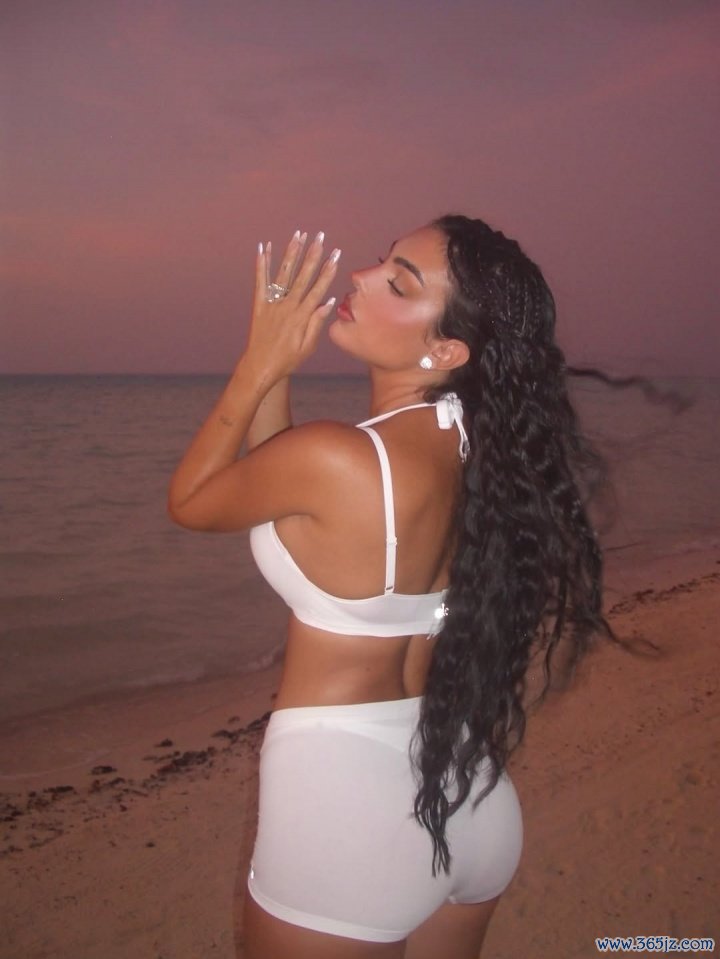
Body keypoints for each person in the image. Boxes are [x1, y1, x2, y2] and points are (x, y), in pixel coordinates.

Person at [168, 215, 611, 958]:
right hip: (466, 791)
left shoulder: (340, 458)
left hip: (344, 808)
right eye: (381, 262)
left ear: (447, 349)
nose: (362, 278)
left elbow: (191, 501)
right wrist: (280, 369)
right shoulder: (475, 453)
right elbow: (284, 485)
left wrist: (257, 363)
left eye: (398, 283)